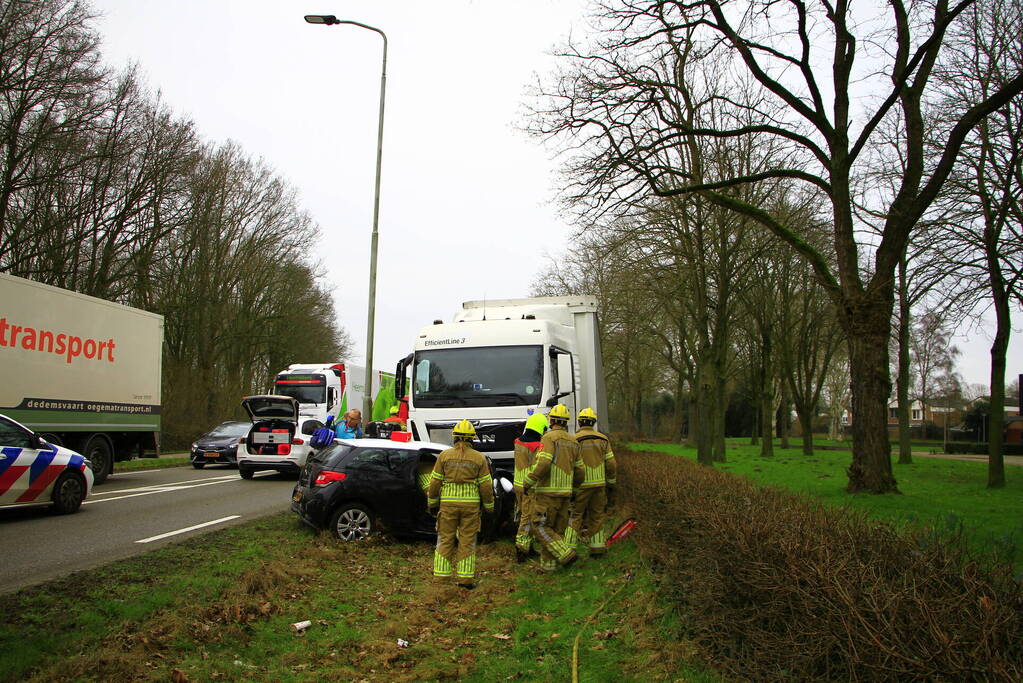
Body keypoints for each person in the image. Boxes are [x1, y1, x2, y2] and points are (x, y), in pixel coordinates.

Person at [427, 419, 495, 589]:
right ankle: (465, 580)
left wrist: (433, 504)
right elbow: (486, 486)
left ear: (454, 437)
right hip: (470, 508)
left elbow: (435, 483)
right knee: (467, 541)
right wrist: (489, 507)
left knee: (445, 539)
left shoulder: (444, 456)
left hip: (448, 506)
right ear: (472, 438)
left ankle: (441, 578)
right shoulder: (479, 458)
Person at [523, 403, 581, 571]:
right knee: (555, 529)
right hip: (565, 494)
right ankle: (549, 567)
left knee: (539, 526)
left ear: (552, 420)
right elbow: (580, 470)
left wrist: (528, 481)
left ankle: (565, 554)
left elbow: (544, 462)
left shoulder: (548, 438)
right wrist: (574, 489)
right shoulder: (574, 441)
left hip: (547, 493)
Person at [565, 407, 617, 557]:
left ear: (580, 422)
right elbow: (611, 463)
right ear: (593, 422)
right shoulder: (603, 439)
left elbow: (570, 464)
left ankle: (568, 549)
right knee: (597, 515)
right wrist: (611, 482)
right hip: (599, 484)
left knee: (575, 515)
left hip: (581, 485)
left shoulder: (574, 440)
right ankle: (597, 548)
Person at [513, 412, 548, 563]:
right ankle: (521, 549)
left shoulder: (518, 442)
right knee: (527, 519)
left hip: (518, 484)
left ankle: (528, 546)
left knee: (523, 515)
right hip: (529, 487)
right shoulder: (537, 447)